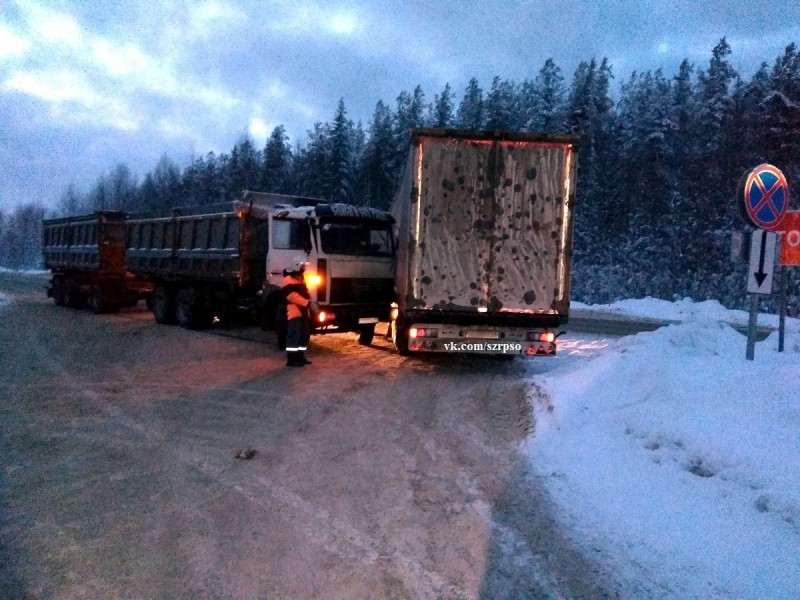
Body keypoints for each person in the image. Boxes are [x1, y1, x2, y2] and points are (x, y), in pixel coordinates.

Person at [282, 255, 313, 367]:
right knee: (294, 335)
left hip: (303, 312)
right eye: (303, 266)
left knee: (304, 334)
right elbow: (290, 296)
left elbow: (305, 293)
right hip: (295, 312)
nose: (304, 268)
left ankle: (300, 356)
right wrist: (307, 303)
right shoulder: (288, 279)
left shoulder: (300, 279)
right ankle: (291, 359)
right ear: (297, 266)